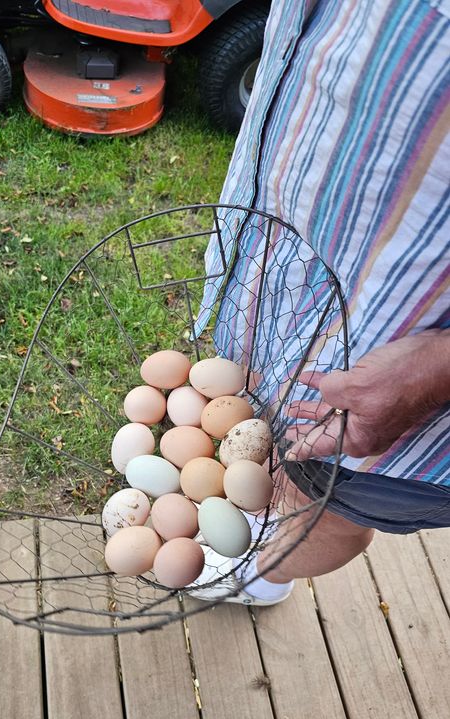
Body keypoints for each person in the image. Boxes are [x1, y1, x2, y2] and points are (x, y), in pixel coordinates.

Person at [191, 0, 450, 605]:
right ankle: (258, 520)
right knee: (275, 448)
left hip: (405, 374)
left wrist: (436, 369)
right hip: (305, 275)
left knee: (330, 505)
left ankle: (257, 576)